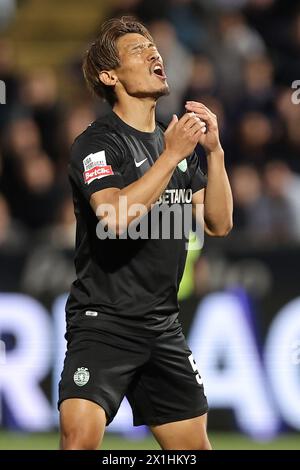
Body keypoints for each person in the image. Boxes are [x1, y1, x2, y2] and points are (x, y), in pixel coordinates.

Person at [58, 16, 233, 450]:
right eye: (139, 50)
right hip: (103, 323)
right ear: (109, 75)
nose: (154, 53)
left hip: (163, 325)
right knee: (78, 440)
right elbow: (115, 217)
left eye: (154, 47)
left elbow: (218, 222)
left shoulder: (172, 142)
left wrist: (214, 154)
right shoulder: (98, 144)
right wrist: (172, 156)